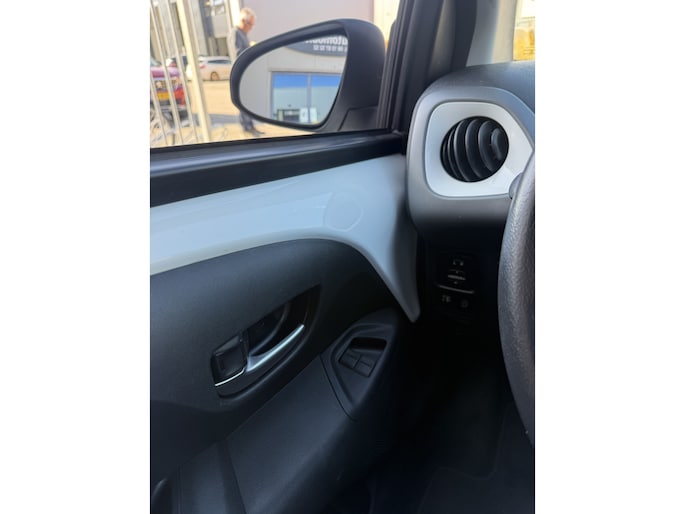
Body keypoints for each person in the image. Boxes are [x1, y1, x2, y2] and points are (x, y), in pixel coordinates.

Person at [228, 7, 263, 136]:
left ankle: (250, 126)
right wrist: (250, 50)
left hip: (246, 74)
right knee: (243, 101)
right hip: (240, 75)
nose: (251, 28)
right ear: (243, 21)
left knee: (248, 101)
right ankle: (246, 128)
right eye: (250, 24)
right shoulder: (235, 33)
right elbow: (238, 55)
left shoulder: (243, 34)